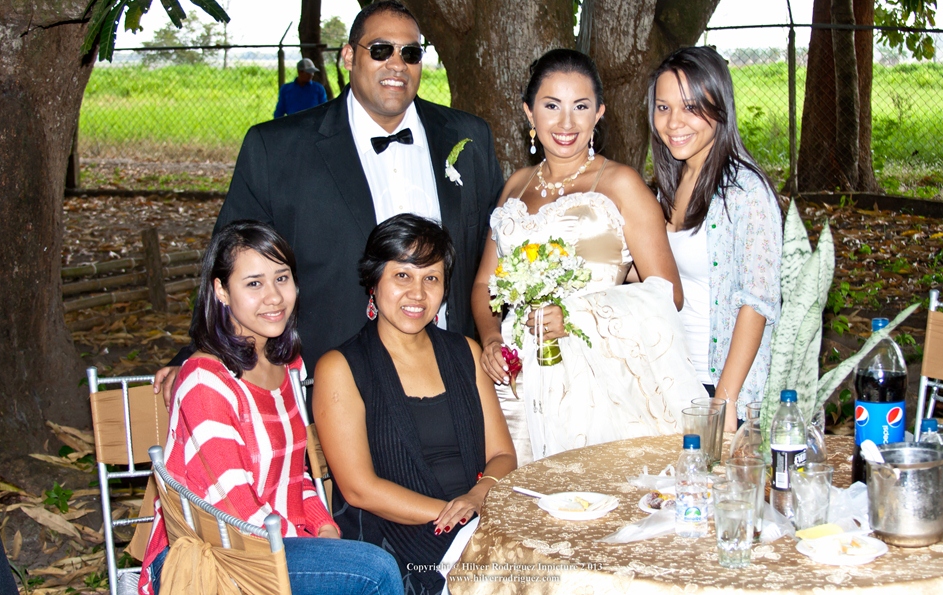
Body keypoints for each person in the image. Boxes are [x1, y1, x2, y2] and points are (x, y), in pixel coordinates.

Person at [157, 0, 503, 399]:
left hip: (454, 379)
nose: (397, 64)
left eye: (410, 53)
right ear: (349, 56)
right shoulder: (277, 150)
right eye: (381, 50)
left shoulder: (469, 138)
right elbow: (232, 262)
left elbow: (497, 255)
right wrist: (199, 349)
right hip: (334, 387)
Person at [138, 221, 403, 595]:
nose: (274, 297)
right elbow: (231, 503)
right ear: (221, 290)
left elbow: (294, 477)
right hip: (217, 554)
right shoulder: (204, 380)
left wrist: (323, 526)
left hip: (274, 540)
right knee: (374, 571)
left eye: (282, 278)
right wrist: (304, 540)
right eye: (253, 284)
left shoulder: (289, 366)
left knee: (372, 555)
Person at [472, 49, 707, 464]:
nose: (566, 123)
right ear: (529, 113)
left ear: (599, 113)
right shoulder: (515, 186)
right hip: (515, 378)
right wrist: (491, 339)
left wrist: (577, 316)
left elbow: (669, 292)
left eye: (580, 107)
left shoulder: (621, 184)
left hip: (594, 377)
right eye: (551, 106)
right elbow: (483, 284)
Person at [313, 215, 516, 595]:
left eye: (431, 278)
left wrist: (477, 497)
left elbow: (502, 454)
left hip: (480, 521)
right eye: (402, 276)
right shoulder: (340, 367)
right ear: (374, 281)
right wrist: (454, 515)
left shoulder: (465, 352)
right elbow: (359, 489)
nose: (418, 293)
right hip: (397, 539)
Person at [649, 46, 783, 430]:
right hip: (674, 379)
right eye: (663, 107)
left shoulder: (745, 192)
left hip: (722, 389)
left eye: (691, 107)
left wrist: (725, 401)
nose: (674, 122)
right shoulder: (667, 185)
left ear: (720, 107)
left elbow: (756, 302)